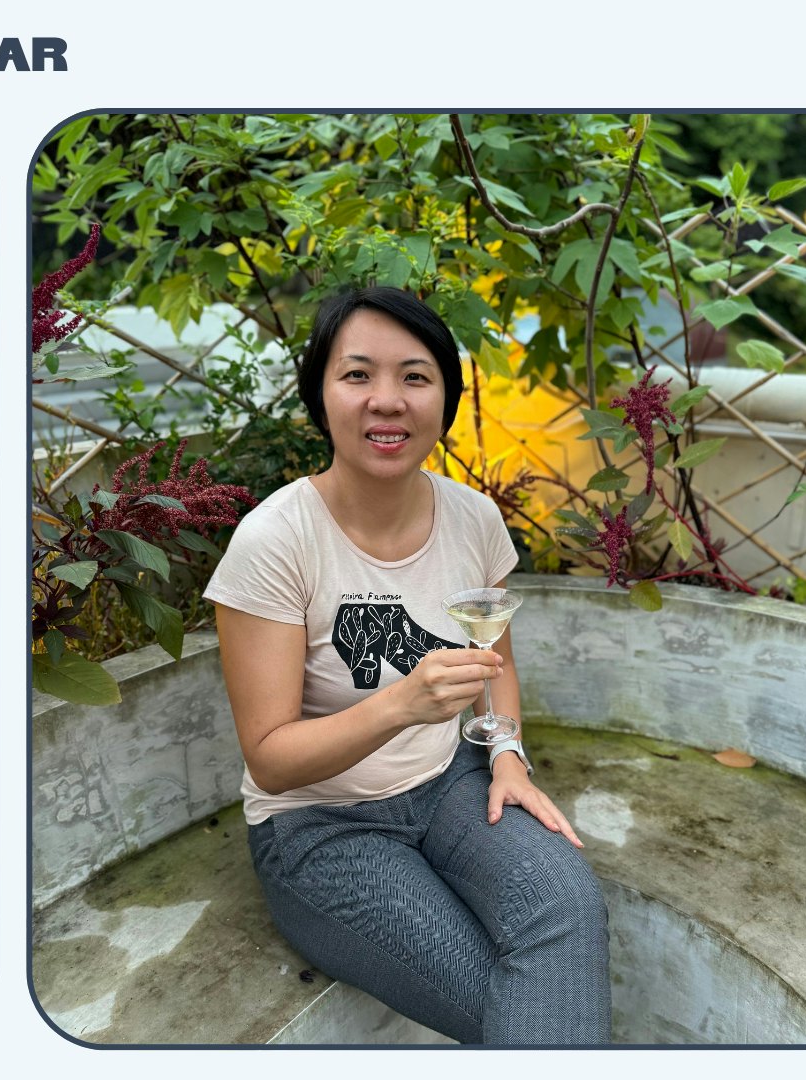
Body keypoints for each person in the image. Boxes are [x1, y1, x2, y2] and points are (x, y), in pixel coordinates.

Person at [203, 286, 610, 1045]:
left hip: (452, 784)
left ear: (446, 397)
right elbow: (271, 760)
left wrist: (510, 760)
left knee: (568, 907)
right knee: (514, 1003)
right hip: (320, 827)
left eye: (415, 377)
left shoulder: (473, 519)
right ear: (320, 395)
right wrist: (400, 705)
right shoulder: (275, 542)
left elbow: (497, 666)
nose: (386, 401)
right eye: (357, 375)